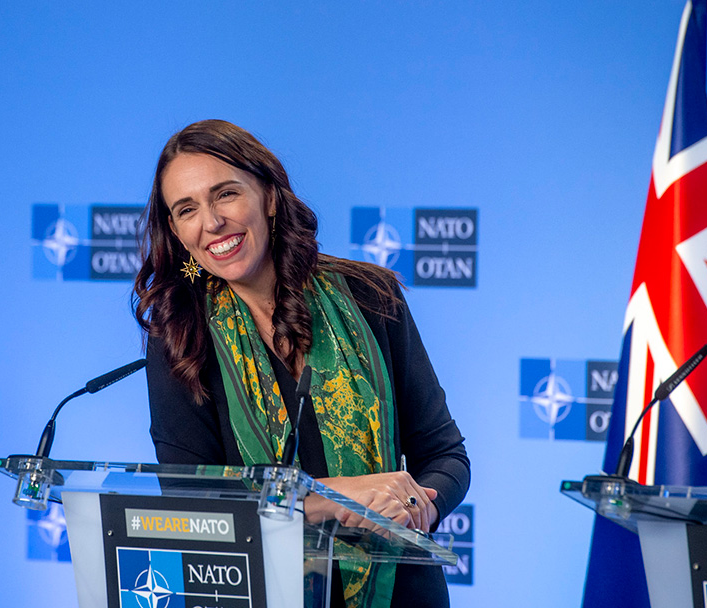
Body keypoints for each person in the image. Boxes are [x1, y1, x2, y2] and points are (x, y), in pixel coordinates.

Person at [133, 119, 469, 608]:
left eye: (225, 194)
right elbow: (194, 505)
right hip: (260, 593)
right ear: (177, 232)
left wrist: (415, 504)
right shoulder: (180, 338)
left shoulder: (370, 296)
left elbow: (445, 457)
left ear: (269, 197)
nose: (211, 222)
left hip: (402, 593)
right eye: (187, 209)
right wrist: (336, 498)